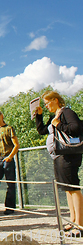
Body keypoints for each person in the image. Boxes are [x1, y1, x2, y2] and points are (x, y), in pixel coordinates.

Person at [34, 90, 83, 237]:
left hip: (69, 155)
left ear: (55, 100)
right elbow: (42, 130)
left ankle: (80, 225)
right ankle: (73, 220)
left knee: (73, 188)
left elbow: (76, 128)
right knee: (67, 189)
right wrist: (39, 115)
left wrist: (59, 124)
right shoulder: (55, 116)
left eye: (48, 103)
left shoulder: (66, 112)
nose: (47, 105)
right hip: (59, 156)